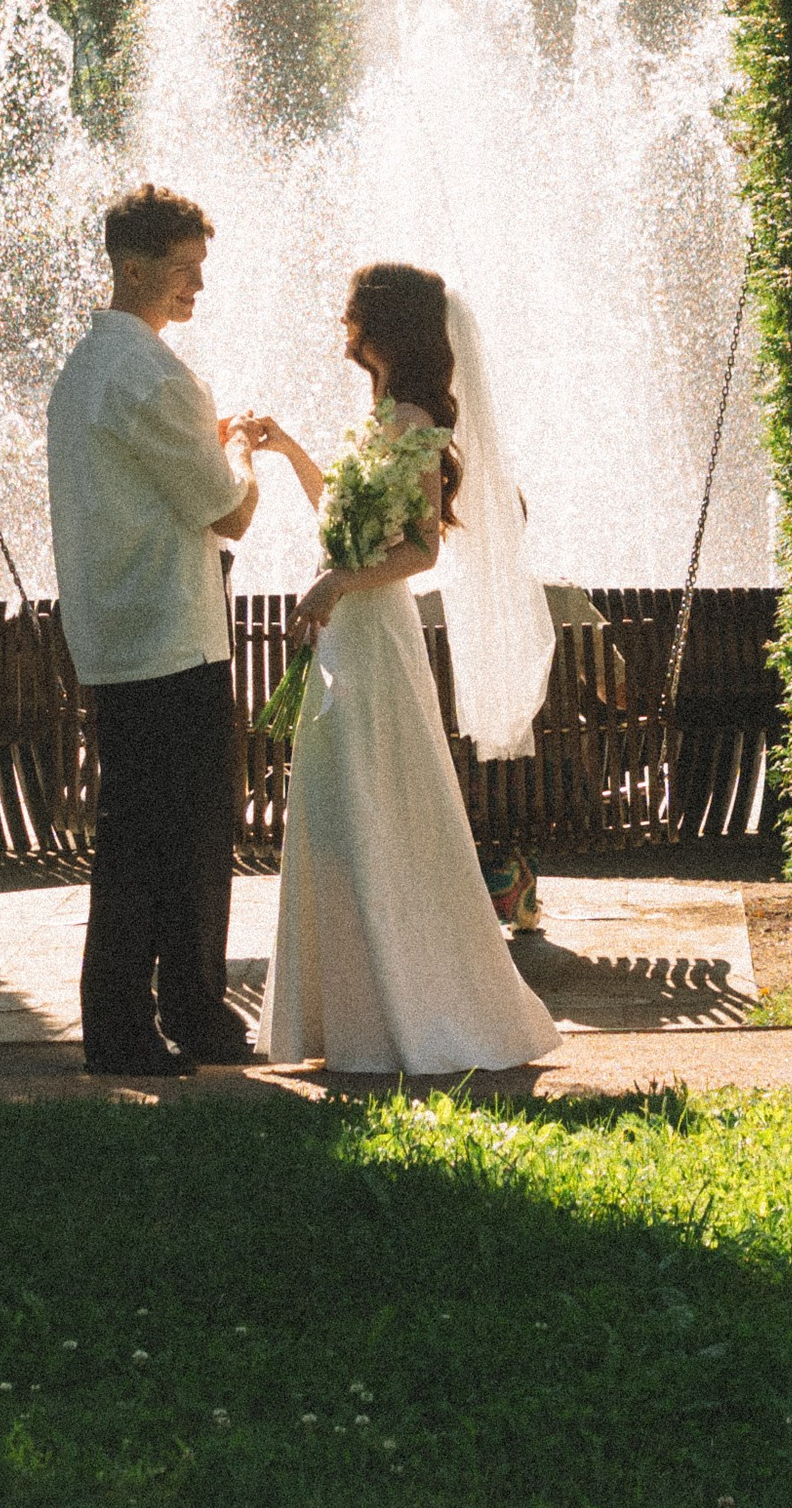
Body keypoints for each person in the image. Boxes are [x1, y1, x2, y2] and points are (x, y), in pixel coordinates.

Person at [242, 262, 560, 1078]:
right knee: (333, 812)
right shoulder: (380, 412)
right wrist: (288, 453)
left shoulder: (417, 418)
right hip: (345, 632)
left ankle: (404, 1009)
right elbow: (341, 520)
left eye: (351, 311)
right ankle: (345, 1015)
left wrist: (339, 583)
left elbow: (418, 548)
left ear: (381, 324)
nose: (340, 322)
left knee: (374, 807)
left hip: (376, 636)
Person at [46, 184, 260, 1079]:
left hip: (118, 633)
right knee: (182, 839)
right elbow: (228, 511)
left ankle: (166, 1016)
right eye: (183, 272)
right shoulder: (156, 377)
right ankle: (150, 1023)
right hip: (173, 639)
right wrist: (242, 448)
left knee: (142, 832)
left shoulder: (85, 373)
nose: (196, 290)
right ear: (134, 269)